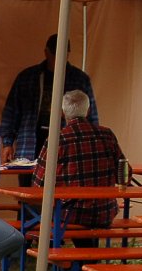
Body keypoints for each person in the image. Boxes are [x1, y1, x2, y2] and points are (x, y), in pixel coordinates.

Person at [34, 89, 127, 237]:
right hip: (106, 212)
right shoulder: (107, 134)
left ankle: (53, 253)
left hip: (70, 213)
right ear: (88, 110)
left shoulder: (58, 139)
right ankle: (87, 258)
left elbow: (39, 182)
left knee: (39, 212)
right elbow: (124, 173)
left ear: (63, 112)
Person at [0, 33, 98, 166]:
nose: (58, 59)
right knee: (29, 183)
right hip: (30, 142)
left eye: (63, 55)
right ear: (47, 53)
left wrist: (91, 144)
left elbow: (91, 116)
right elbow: (11, 112)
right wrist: (7, 143)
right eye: (55, 55)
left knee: (62, 182)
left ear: (68, 54)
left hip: (67, 143)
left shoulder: (80, 79)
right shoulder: (27, 77)